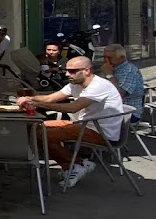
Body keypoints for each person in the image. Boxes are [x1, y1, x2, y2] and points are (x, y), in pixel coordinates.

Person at [17, 56, 125, 188]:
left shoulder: (99, 86)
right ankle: (77, 164)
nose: (68, 74)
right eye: (67, 70)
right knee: (34, 127)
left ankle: (75, 165)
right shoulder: (75, 84)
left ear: (86, 71)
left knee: (41, 135)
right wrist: (29, 98)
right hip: (85, 124)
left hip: (101, 132)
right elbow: (50, 98)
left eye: (72, 71)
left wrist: (35, 103)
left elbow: (74, 107)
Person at [100, 44, 144, 121]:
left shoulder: (129, 71)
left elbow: (118, 95)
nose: (105, 61)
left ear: (122, 58)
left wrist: (109, 75)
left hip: (129, 112)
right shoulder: (113, 68)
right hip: (113, 109)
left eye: (109, 58)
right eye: (104, 57)